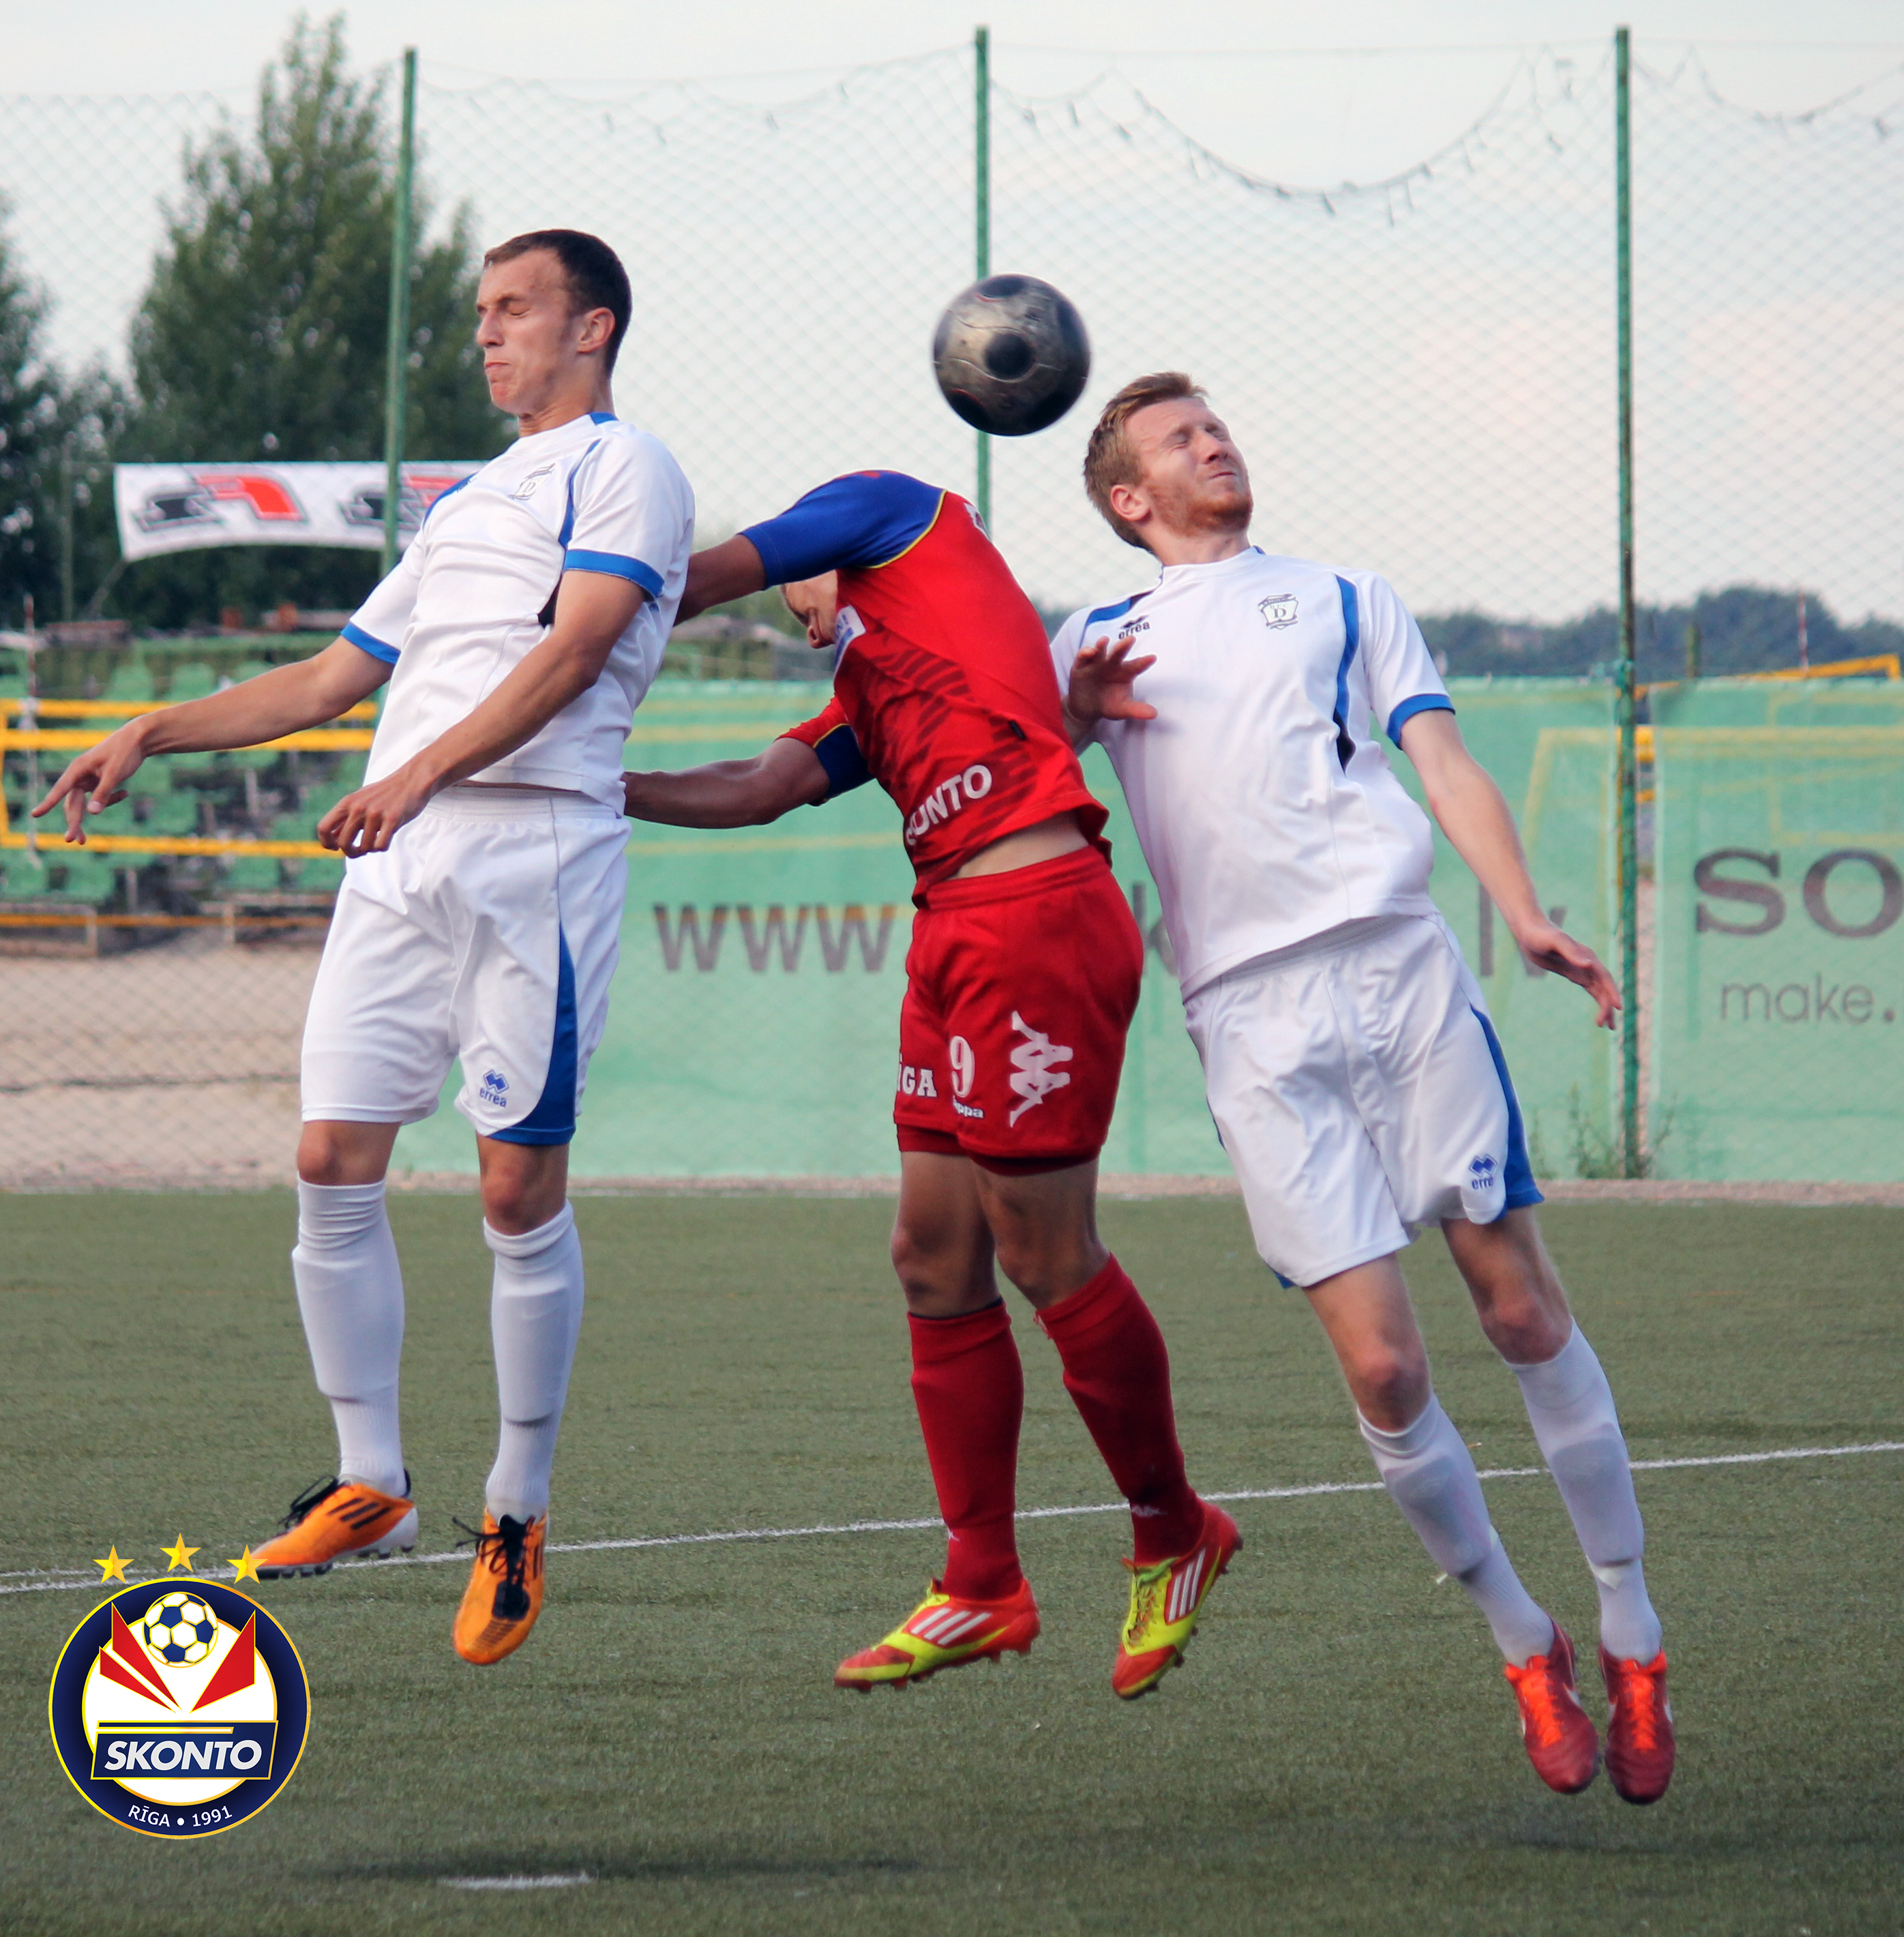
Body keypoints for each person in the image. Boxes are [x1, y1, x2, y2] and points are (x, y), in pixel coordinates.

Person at [35, 230, 693, 1667]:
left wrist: (418, 774)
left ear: (592, 327)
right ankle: (372, 1485)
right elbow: (335, 675)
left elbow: (575, 651)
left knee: (516, 1188)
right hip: (403, 864)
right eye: (480, 312)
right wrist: (151, 728)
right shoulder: (464, 506)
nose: (486, 333)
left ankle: (514, 1508)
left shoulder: (625, 467)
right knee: (331, 1158)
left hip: (534, 854)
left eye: (513, 309)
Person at [1050, 372, 1674, 1803]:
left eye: (1216, 424)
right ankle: (1522, 1641)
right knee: (1385, 1370)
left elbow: (1440, 763)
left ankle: (1632, 1627)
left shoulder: (1344, 595)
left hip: (1400, 969)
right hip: (1246, 1017)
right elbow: (1012, 758)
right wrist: (1068, 712)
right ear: (1129, 500)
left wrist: (1520, 911)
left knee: (1517, 1307)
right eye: (1177, 438)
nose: (1214, 440)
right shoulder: (1092, 640)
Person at [623, 470, 1238, 1697]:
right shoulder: (874, 685)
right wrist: (598, 787)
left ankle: (1176, 1529)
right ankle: (982, 1582)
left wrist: (569, 630)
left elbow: (699, 579)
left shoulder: (896, 511)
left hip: (1035, 917)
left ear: (817, 555)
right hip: (952, 929)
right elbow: (759, 788)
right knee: (931, 1254)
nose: (799, 615)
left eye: (797, 589)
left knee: (1045, 1252)